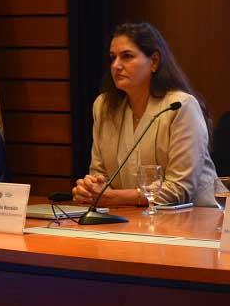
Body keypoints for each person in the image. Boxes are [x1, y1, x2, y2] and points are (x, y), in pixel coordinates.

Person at [72, 22, 219, 208]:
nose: (116, 65)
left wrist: (114, 197)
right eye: (113, 58)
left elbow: (178, 189)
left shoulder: (180, 106)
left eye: (127, 56)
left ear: (154, 61)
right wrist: (90, 189)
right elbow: (100, 176)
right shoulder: (104, 106)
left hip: (195, 218)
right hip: (132, 219)